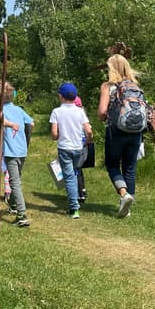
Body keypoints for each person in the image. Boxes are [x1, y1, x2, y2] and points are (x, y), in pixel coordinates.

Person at [97, 54, 144, 218]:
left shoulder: (108, 86)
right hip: (136, 132)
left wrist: (105, 116)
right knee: (130, 168)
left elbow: (102, 112)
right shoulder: (135, 86)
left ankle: (125, 195)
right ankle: (127, 208)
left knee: (112, 165)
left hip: (116, 131)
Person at [0, 80, 34, 228]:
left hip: (10, 152)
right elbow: (31, 123)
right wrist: (26, 138)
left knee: (15, 183)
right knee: (15, 180)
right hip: (22, 150)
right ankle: (13, 204)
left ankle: (22, 215)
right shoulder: (19, 110)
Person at [50, 83, 93, 219]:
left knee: (69, 177)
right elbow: (89, 130)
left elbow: (54, 134)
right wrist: (87, 140)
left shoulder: (57, 112)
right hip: (78, 148)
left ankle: (74, 208)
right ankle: (75, 200)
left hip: (64, 148)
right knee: (73, 174)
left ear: (61, 96)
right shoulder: (80, 111)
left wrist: (58, 136)